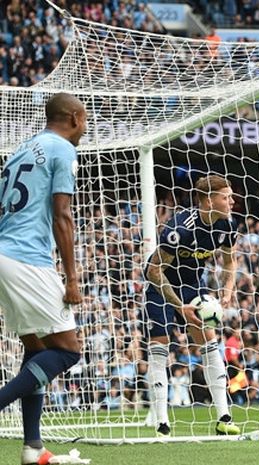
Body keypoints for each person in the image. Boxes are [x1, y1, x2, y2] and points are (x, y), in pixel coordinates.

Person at [0, 93, 88, 464]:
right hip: (26, 258)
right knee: (68, 350)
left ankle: (32, 447)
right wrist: (71, 277)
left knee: (36, 350)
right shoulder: (62, 149)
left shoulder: (22, 149)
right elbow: (62, 215)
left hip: (5, 254)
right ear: (73, 116)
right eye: (85, 120)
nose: (85, 127)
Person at [144, 174, 240, 437]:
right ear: (209, 200)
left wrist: (227, 290)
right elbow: (154, 271)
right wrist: (178, 306)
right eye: (226, 197)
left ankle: (223, 416)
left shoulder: (228, 225)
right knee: (159, 348)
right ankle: (162, 423)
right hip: (161, 288)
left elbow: (230, 262)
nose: (232, 201)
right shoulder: (180, 229)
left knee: (209, 343)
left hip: (193, 288)